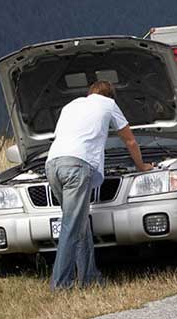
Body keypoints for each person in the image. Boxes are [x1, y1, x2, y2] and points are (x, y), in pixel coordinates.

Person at [45, 80, 153, 290]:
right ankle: (60, 284)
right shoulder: (109, 105)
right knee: (71, 227)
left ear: (90, 93)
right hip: (77, 166)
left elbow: (62, 136)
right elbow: (129, 140)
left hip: (52, 165)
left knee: (80, 223)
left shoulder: (71, 106)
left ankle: (89, 277)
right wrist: (142, 166)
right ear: (110, 96)